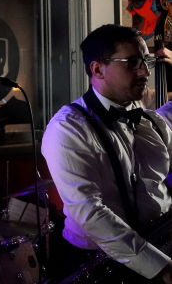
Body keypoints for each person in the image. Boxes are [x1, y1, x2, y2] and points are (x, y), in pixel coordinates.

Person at [41, 24, 172, 283]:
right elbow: (90, 213)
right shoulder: (67, 128)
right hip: (99, 266)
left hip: (161, 245)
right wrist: (161, 267)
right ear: (98, 69)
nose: (145, 72)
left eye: (145, 62)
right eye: (132, 63)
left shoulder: (151, 121)